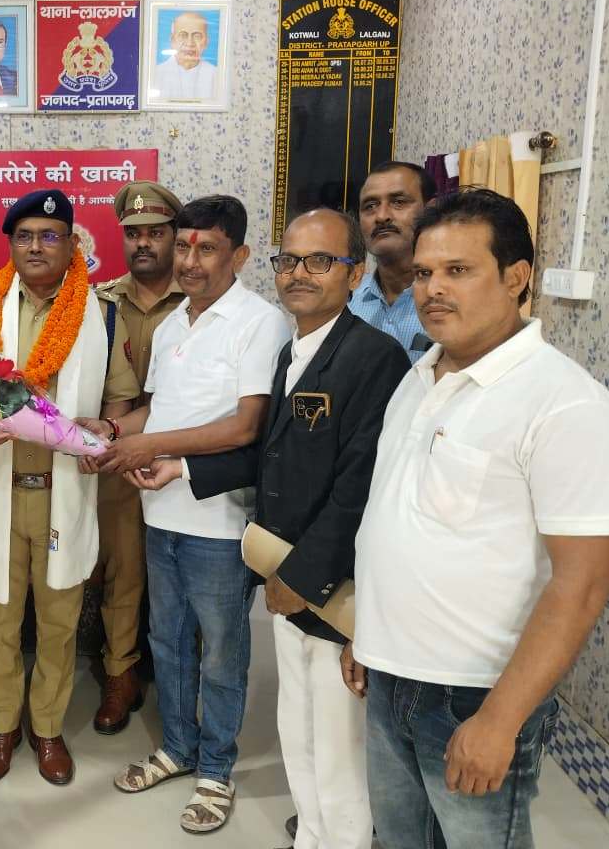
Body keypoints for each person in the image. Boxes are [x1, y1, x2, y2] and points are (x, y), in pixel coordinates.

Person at [344, 189, 609, 849]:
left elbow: (582, 582)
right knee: (401, 838)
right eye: (423, 272)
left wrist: (500, 720)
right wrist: (368, 631)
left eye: (458, 270)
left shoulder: (562, 401)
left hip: (475, 693)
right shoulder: (420, 375)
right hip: (391, 676)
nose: (432, 289)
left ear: (516, 277)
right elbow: (394, 518)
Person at [162, 208, 410, 849]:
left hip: (330, 586)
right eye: (289, 260)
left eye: (320, 261)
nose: (299, 274)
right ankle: (313, 836)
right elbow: (272, 453)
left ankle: (343, 839)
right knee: (297, 726)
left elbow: (359, 486)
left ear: (354, 273)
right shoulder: (293, 351)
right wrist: (182, 468)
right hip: (284, 571)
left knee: (338, 746)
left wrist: (300, 579)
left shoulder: (373, 358)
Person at [96, 195, 290, 834]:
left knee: (221, 654)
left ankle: (216, 769)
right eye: (183, 246)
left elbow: (246, 425)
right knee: (168, 641)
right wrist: (109, 431)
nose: (189, 260)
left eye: (207, 249)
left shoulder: (260, 323)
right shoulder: (174, 323)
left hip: (219, 524)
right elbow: (159, 407)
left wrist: (151, 446)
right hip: (161, 512)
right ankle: (178, 748)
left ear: (240, 255)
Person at [0, 189, 139, 786]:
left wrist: (105, 431)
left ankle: (48, 728)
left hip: (65, 489)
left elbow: (120, 397)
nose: (36, 246)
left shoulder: (100, 311)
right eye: (25, 236)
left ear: (71, 243)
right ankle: (2, 725)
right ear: (11, 243)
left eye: (50, 235)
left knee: (60, 620)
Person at [90, 180, 185, 735]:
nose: (143, 243)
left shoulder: (200, 301)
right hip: (122, 452)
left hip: (187, 458)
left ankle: (183, 679)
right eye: (133, 234)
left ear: (175, 236)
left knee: (186, 575)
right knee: (123, 569)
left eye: (155, 232)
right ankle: (119, 673)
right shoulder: (100, 303)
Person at [353, 161, 438, 362]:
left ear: (431, 211)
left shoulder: (454, 300)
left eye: (398, 202)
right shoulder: (346, 303)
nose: (381, 216)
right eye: (370, 206)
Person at [153, 11, 218, 99]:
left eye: (197, 36)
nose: (190, 43)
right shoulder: (155, 74)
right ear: (172, 40)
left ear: (206, 42)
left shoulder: (216, 76)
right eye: (183, 35)